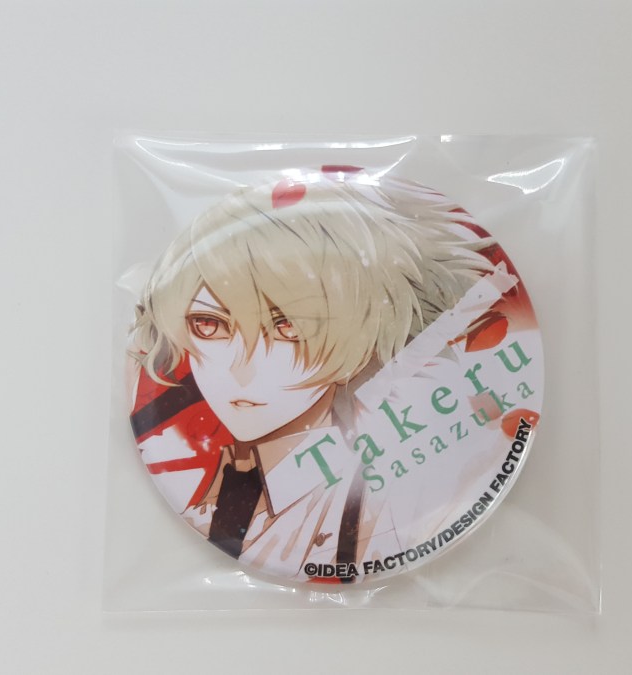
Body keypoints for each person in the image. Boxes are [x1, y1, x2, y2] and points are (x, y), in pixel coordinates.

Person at [128, 167, 509, 581]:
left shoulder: (393, 507)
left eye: (289, 328)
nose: (241, 370)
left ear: (363, 335)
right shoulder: (210, 491)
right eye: (210, 325)